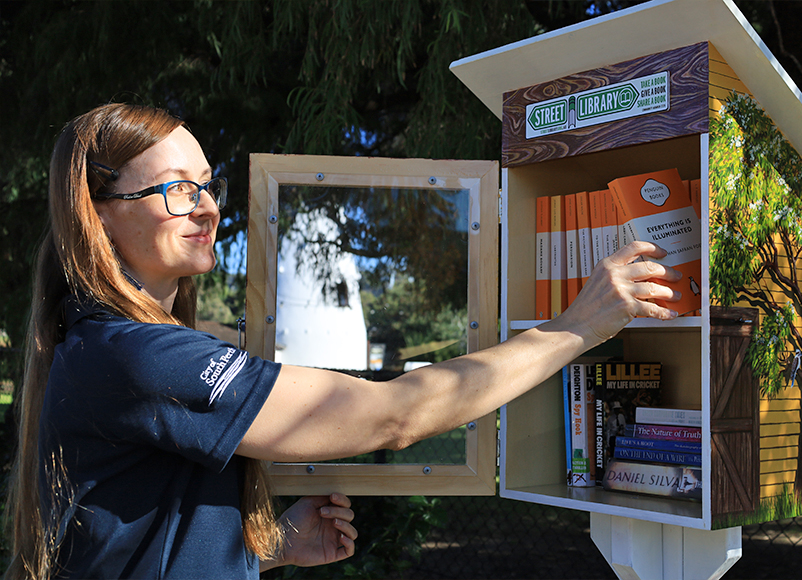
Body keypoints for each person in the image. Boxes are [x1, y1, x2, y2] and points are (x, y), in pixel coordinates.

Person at [5, 103, 682, 579]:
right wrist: (579, 325)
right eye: (178, 189)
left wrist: (263, 551)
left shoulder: (98, 343)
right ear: (99, 214)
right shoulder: (138, 356)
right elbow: (396, 416)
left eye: (208, 185)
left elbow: (135, 540)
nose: (208, 206)